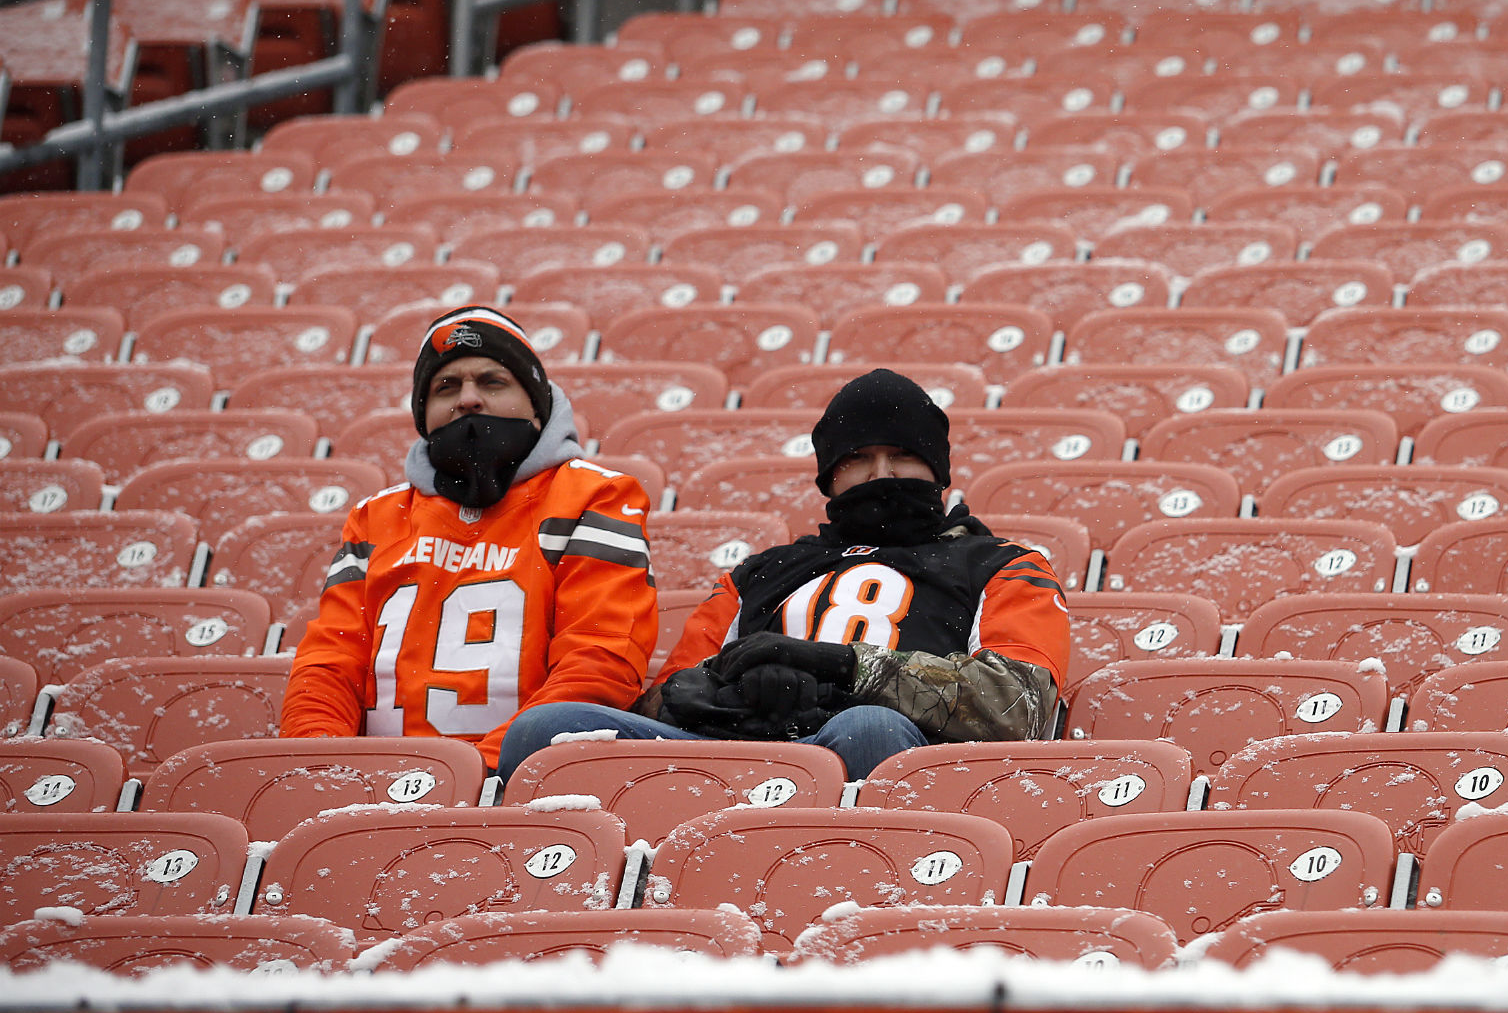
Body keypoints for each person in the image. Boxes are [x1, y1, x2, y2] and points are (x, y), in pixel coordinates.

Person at [496, 368, 1070, 780]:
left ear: (937, 470)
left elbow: (1022, 706)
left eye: (901, 457)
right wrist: (737, 691)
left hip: (880, 751)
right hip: (730, 752)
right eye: (858, 461)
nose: (881, 475)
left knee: (868, 729)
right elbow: (664, 699)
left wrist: (844, 671)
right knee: (546, 732)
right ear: (829, 477)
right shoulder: (759, 574)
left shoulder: (1001, 564)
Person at [282, 306, 657, 770]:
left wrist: (474, 774)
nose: (469, 399)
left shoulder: (594, 495)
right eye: (446, 387)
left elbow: (600, 661)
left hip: (520, 783)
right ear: (423, 414)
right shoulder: (373, 518)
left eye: (493, 381)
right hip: (369, 789)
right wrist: (318, 767)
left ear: (537, 405)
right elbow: (329, 666)